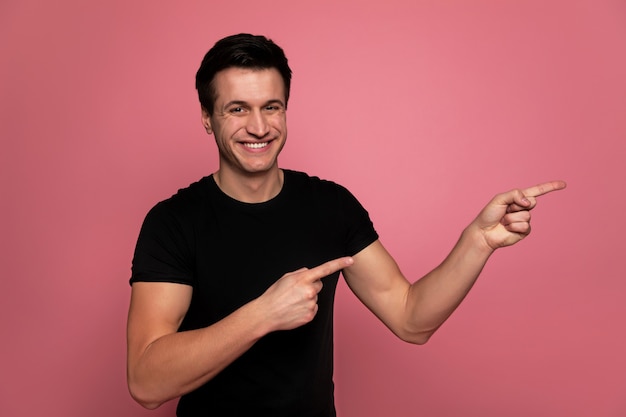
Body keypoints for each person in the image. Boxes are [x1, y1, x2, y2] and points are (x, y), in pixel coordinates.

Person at [126, 33, 566, 416]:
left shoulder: (330, 206)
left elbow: (411, 318)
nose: (258, 126)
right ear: (207, 117)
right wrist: (263, 314)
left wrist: (478, 241)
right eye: (237, 109)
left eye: (271, 107)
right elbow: (147, 383)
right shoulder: (174, 222)